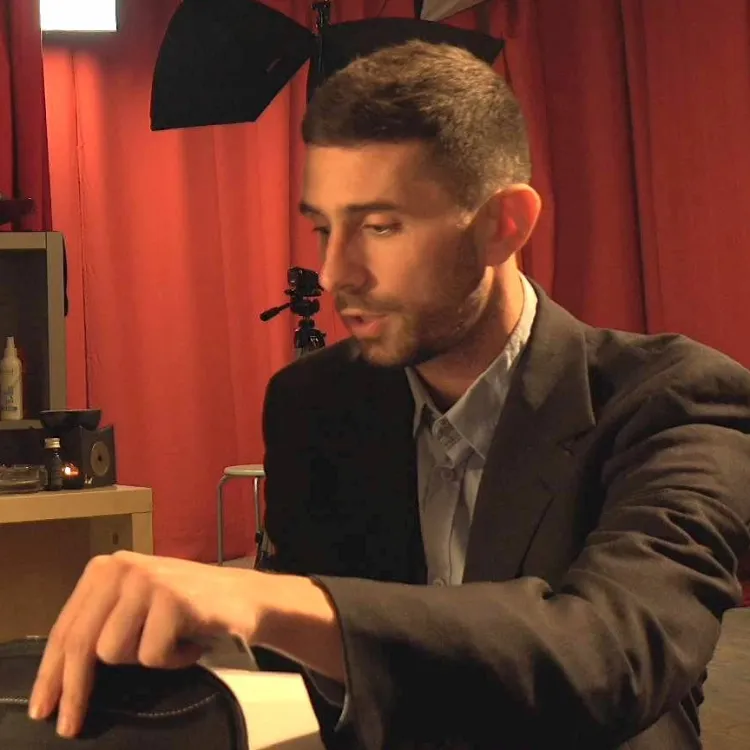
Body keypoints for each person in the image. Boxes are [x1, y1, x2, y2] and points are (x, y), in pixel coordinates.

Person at [28, 40, 750, 750]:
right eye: (323, 227)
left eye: (380, 226)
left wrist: (260, 597)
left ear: (503, 226)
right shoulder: (313, 403)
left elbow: (613, 656)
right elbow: (315, 679)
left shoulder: (675, 398)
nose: (335, 272)